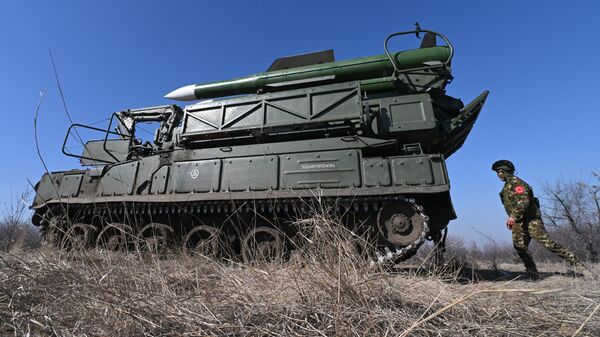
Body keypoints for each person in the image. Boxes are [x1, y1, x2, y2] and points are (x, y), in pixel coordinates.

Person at [491, 160, 590, 275]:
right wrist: (514, 218)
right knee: (519, 246)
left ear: (502, 171)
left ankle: (581, 267)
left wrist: (513, 216)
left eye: (498, 172)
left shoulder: (516, 183)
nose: (498, 174)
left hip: (531, 220)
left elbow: (524, 202)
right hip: (519, 221)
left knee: (549, 244)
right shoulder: (507, 185)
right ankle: (531, 271)